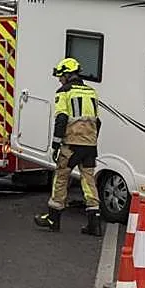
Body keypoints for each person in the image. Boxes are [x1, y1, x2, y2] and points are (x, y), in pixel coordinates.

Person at [33, 57, 103, 236]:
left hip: (71, 145)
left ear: (67, 74)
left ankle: (52, 219)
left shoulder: (64, 92)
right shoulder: (91, 92)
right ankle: (94, 223)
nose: (59, 79)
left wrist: (55, 144)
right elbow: (98, 121)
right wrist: (91, 139)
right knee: (88, 182)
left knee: (61, 178)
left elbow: (62, 119)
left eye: (60, 76)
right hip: (89, 145)